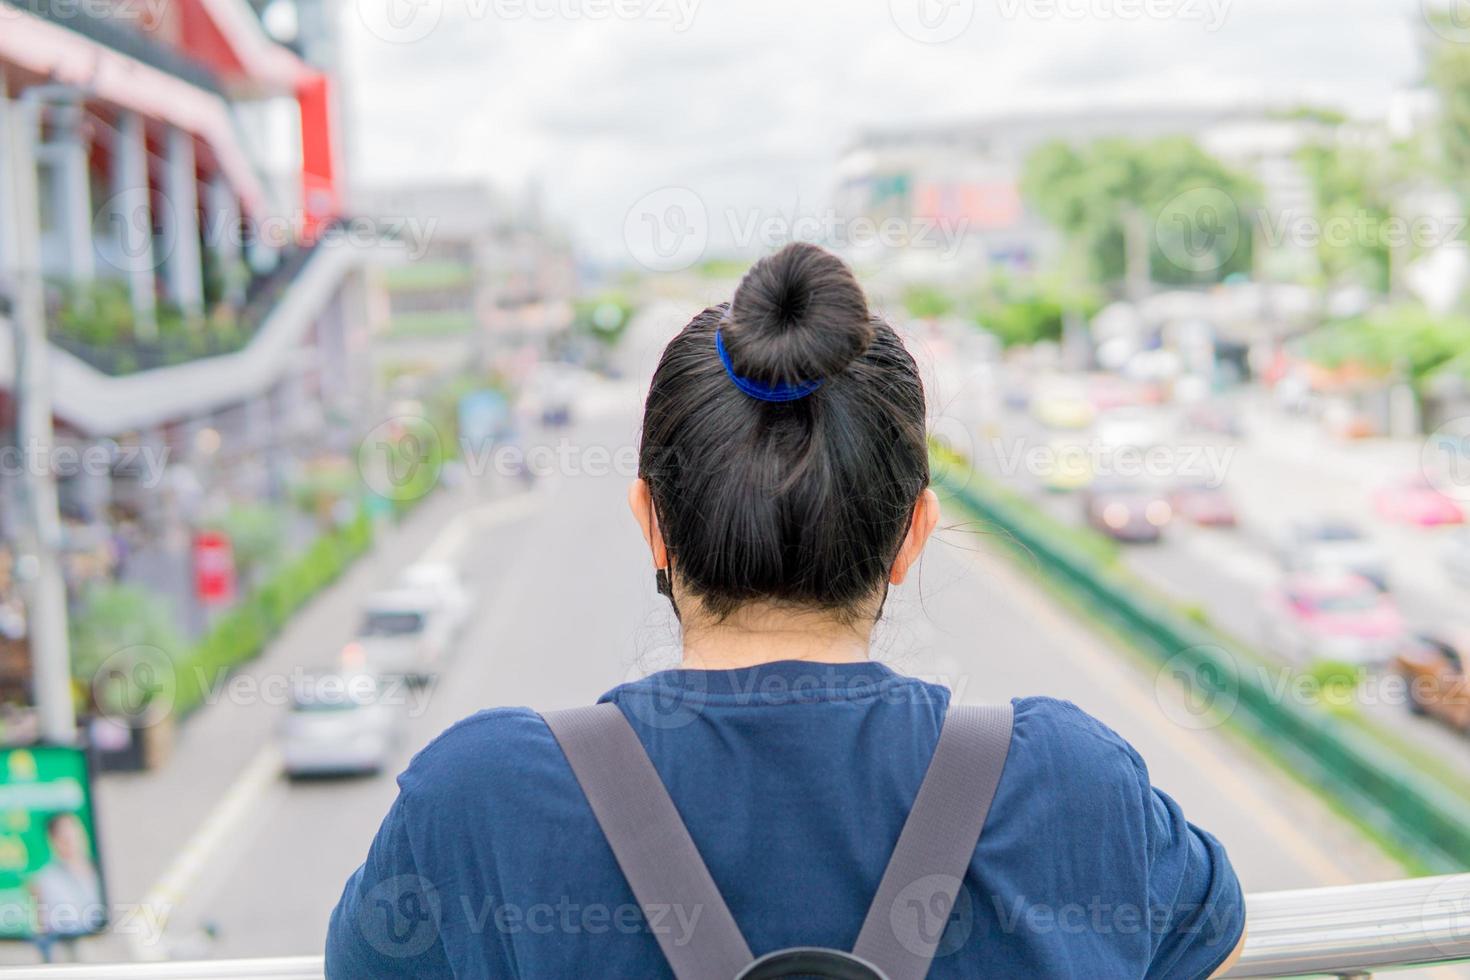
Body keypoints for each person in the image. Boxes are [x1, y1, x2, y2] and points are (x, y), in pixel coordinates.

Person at [327, 243, 1247, 978]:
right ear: (912, 535)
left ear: (653, 526)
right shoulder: (1071, 783)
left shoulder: (478, 801)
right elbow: (1217, 939)